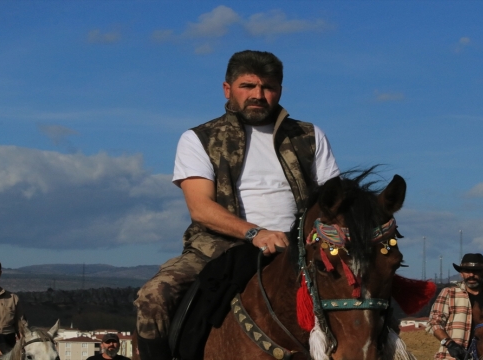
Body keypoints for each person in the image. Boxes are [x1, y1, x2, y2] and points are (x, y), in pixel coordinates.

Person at [133, 50, 340, 360]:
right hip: (215, 249)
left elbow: (332, 201)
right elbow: (200, 208)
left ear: (280, 90)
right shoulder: (199, 138)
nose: (258, 95)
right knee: (153, 298)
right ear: (227, 89)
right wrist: (255, 233)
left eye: (268, 87)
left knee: (371, 294)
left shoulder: (309, 136)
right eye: (248, 86)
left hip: (300, 250)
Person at [426, 253, 483, 360]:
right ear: (461, 274)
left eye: (476, 271)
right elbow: (434, 322)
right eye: (467, 271)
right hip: (451, 357)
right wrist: (449, 344)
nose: (471, 275)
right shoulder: (449, 293)